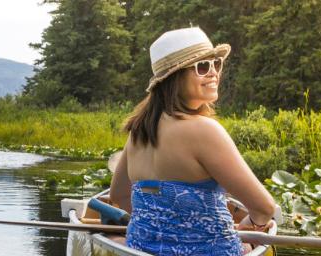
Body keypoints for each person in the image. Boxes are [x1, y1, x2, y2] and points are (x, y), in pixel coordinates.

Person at [107, 27, 278, 255]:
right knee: (249, 245)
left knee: (116, 238)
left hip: (142, 248)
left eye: (216, 63)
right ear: (174, 78)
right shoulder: (203, 130)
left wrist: (160, 228)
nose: (214, 73)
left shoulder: (138, 131)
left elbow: (118, 195)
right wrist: (251, 225)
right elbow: (264, 207)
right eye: (202, 66)